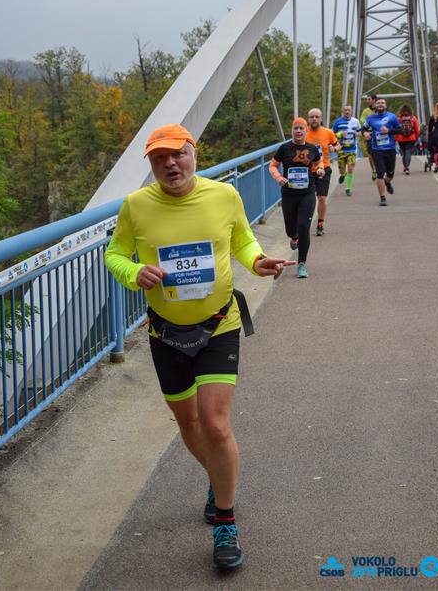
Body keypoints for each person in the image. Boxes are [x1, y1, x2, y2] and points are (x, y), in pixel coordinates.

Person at [104, 123, 292, 571]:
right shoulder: (135, 205)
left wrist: (257, 261)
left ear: (194, 153)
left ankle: (225, 520)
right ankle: (218, 478)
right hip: (165, 331)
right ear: (152, 165)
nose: (170, 164)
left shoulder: (223, 196)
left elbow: (242, 240)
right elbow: (115, 254)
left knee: (215, 424)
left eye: (178, 154)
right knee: (188, 423)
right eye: (159, 158)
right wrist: (134, 273)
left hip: (218, 324)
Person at [269, 117, 325, 278]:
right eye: (296, 128)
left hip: (307, 192)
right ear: (292, 131)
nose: (298, 131)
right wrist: (278, 177)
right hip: (289, 193)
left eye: (301, 128)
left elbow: (319, 163)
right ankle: (294, 237)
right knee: (290, 229)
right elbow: (272, 166)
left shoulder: (312, 148)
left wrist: (320, 170)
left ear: (306, 130)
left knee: (303, 226)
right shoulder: (284, 148)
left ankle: (301, 264)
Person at [306, 108, 341, 235]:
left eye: (317, 116)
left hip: (324, 169)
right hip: (307, 170)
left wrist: (334, 149)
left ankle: (320, 223)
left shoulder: (328, 132)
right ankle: (305, 223)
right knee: (307, 199)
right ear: (308, 119)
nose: (314, 119)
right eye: (312, 117)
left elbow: (339, 145)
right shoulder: (303, 132)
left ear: (321, 118)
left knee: (321, 198)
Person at [361, 98, 402, 206]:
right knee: (380, 173)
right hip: (377, 150)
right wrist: (365, 133)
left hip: (390, 149)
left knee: (390, 174)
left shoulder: (392, 117)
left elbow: (400, 130)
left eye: (382, 103)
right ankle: (382, 198)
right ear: (375, 105)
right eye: (378, 103)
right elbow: (363, 128)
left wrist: (389, 131)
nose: (380, 104)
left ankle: (387, 182)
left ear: (385, 105)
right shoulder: (370, 118)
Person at [331, 105, 362, 196]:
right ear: (342, 111)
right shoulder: (338, 122)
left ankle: (348, 188)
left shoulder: (355, 121)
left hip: (352, 149)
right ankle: (343, 175)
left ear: (351, 111)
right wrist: (339, 134)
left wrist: (357, 134)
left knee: (351, 168)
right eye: (345, 110)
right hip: (341, 149)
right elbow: (331, 135)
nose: (347, 112)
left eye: (349, 110)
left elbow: (361, 132)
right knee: (341, 170)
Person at [394, 103, 420, 175]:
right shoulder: (413, 118)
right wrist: (416, 138)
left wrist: (395, 139)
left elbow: (396, 130)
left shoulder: (398, 119)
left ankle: (405, 167)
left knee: (404, 153)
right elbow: (417, 130)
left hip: (400, 138)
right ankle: (407, 167)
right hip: (411, 138)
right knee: (408, 152)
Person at [359, 93, 377, 181]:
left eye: (369, 99)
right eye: (367, 99)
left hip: (379, 134)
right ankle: (373, 170)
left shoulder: (380, 109)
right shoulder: (366, 111)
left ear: (374, 100)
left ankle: (380, 168)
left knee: (380, 153)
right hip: (369, 134)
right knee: (370, 154)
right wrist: (370, 119)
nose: (367, 101)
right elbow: (362, 121)